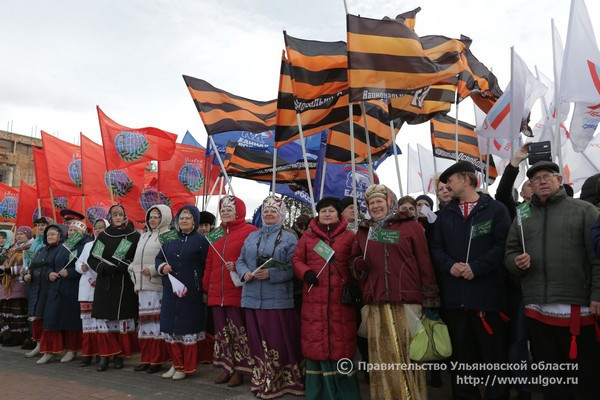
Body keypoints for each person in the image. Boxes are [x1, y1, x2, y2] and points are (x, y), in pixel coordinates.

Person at [505, 161, 600, 399]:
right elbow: (510, 251)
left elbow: (598, 258)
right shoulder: (522, 214)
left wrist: (598, 294)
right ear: (531, 186)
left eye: (547, 176)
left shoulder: (584, 210)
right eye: (536, 179)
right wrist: (515, 262)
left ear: (559, 180)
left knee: (585, 378)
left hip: (578, 308)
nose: (542, 181)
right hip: (537, 309)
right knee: (551, 378)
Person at [350, 185, 439, 400]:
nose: (376, 206)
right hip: (376, 302)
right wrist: (357, 266)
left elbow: (425, 264)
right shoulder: (364, 231)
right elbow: (352, 262)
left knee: (407, 354)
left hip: (406, 301)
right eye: (372, 203)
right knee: (383, 357)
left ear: (390, 202)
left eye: (380, 201)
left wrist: (430, 300)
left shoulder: (410, 227)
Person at [431, 161, 511, 400]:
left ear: (466, 179)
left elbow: (503, 245)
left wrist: (477, 268)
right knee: (462, 362)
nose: (447, 185)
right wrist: (450, 265)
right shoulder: (445, 214)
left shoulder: (496, 210)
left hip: (486, 299)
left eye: (450, 180)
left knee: (494, 359)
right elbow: (436, 247)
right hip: (455, 300)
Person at [236, 195, 305, 398]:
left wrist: (271, 273)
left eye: (273, 211)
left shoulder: (289, 238)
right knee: (257, 342)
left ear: (281, 214)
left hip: (276, 299)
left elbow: (294, 266)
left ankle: (280, 381)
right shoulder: (252, 237)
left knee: (276, 342)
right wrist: (244, 273)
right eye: (266, 211)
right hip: (250, 297)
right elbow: (240, 260)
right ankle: (261, 378)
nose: (268, 214)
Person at [292, 197, 360, 400]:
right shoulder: (308, 237)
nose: (327, 214)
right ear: (318, 214)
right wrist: (305, 272)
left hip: (341, 301)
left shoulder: (349, 236)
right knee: (317, 344)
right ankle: (319, 394)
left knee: (341, 345)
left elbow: (355, 261)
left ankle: (345, 394)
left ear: (338, 214)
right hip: (315, 299)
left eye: (331, 210)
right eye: (323, 211)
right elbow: (296, 259)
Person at [202, 195, 257, 387]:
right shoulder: (215, 234)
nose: (225, 212)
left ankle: (241, 370)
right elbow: (209, 262)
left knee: (239, 333)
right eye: (222, 209)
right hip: (217, 292)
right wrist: (206, 286)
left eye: (229, 209)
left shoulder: (251, 231)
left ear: (239, 211)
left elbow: (254, 260)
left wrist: (239, 267)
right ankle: (227, 367)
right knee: (222, 334)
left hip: (238, 292)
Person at [156, 205, 210, 381]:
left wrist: (204, 288)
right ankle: (175, 364)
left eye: (188, 218)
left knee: (187, 328)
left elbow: (206, 266)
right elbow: (159, 257)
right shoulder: (169, 237)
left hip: (191, 291)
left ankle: (186, 367)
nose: (184, 221)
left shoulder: (201, 240)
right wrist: (162, 267)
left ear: (194, 221)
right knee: (171, 327)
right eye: (181, 218)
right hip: (171, 288)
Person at [88, 204, 140, 371]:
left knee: (121, 322)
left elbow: (136, 258)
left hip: (124, 283)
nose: (118, 217)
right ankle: (104, 356)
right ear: (110, 217)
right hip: (105, 283)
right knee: (104, 321)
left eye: (121, 214)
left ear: (125, 216)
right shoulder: (104, 236)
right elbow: (93, 258)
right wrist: (103, 268)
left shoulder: (133, 236)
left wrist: (124, 266)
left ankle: (119, 356)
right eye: (115, 214)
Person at [36, 220, 92, 364]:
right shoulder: (64, 245)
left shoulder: (86, 246)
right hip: (56, 287)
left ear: (83, 232)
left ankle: (72, 350)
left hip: (72, 287)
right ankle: (49, 351)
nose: (72, 233)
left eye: (76, 231)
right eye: (70, 230)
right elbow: (50, 263)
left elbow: (87, 267)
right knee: (51, 319)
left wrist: (70, 272)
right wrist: (50, 273)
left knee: (70, 320)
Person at [128, 205, 172, 374]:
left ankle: (157, 359)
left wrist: (153, 270)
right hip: (142, 285)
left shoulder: (168, 235)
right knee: (145, 324)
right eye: (150, 216)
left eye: (156, 216)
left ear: (165, 217)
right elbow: (137, 259)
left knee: (156, 324)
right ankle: (146, 358)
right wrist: (132, 268)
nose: (152, 220)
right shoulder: (144, 235)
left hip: (157, 285)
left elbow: (170, 259)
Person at [22, 223, 65, 358]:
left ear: (60, 235)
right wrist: (26, 275)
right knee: (37, 319)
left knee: (49, 321)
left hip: (52, 289)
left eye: (53, 234)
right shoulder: (41, 250)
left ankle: (51, 350)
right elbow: (31, 266)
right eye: (48, 234)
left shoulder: (62, 250)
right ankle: (39, 345)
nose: (49, 236)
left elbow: (56, 267)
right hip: (37, 288)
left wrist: (49, 274)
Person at [75, 218, 107, 367]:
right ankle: (88, 354)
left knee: (100, 324)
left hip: (100, 288)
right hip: (86, 289)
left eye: (101, 227)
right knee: (87, 324)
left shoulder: (107, 244)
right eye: (96, 227)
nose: (98, 230)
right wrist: (81, 267)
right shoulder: (88, 245)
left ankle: (103, 354)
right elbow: (78, 262)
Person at [20, 217, 53, 351]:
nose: (40, 227)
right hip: (32, 280)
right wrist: (25, 273)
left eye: (43, 225)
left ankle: (47, 343)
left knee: (44, 312)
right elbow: (27, 262)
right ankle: (35, 340)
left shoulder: (49, 243)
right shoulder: (33, 244)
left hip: (45, 281)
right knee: (33, 311)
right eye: (38, 225)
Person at [0, 226, 33, 347]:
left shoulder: (28, 248)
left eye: (22, 234)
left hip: (19, 285)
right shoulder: (13, 249)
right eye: (17, 234)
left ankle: (19, 336)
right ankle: (8, 336)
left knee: (17, 314)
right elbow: (6, 264)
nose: (19, 236)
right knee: (6, 312)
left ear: (28, 236)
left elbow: (26, 265)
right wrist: (3, 269)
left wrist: (10, 270)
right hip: (7, 285)